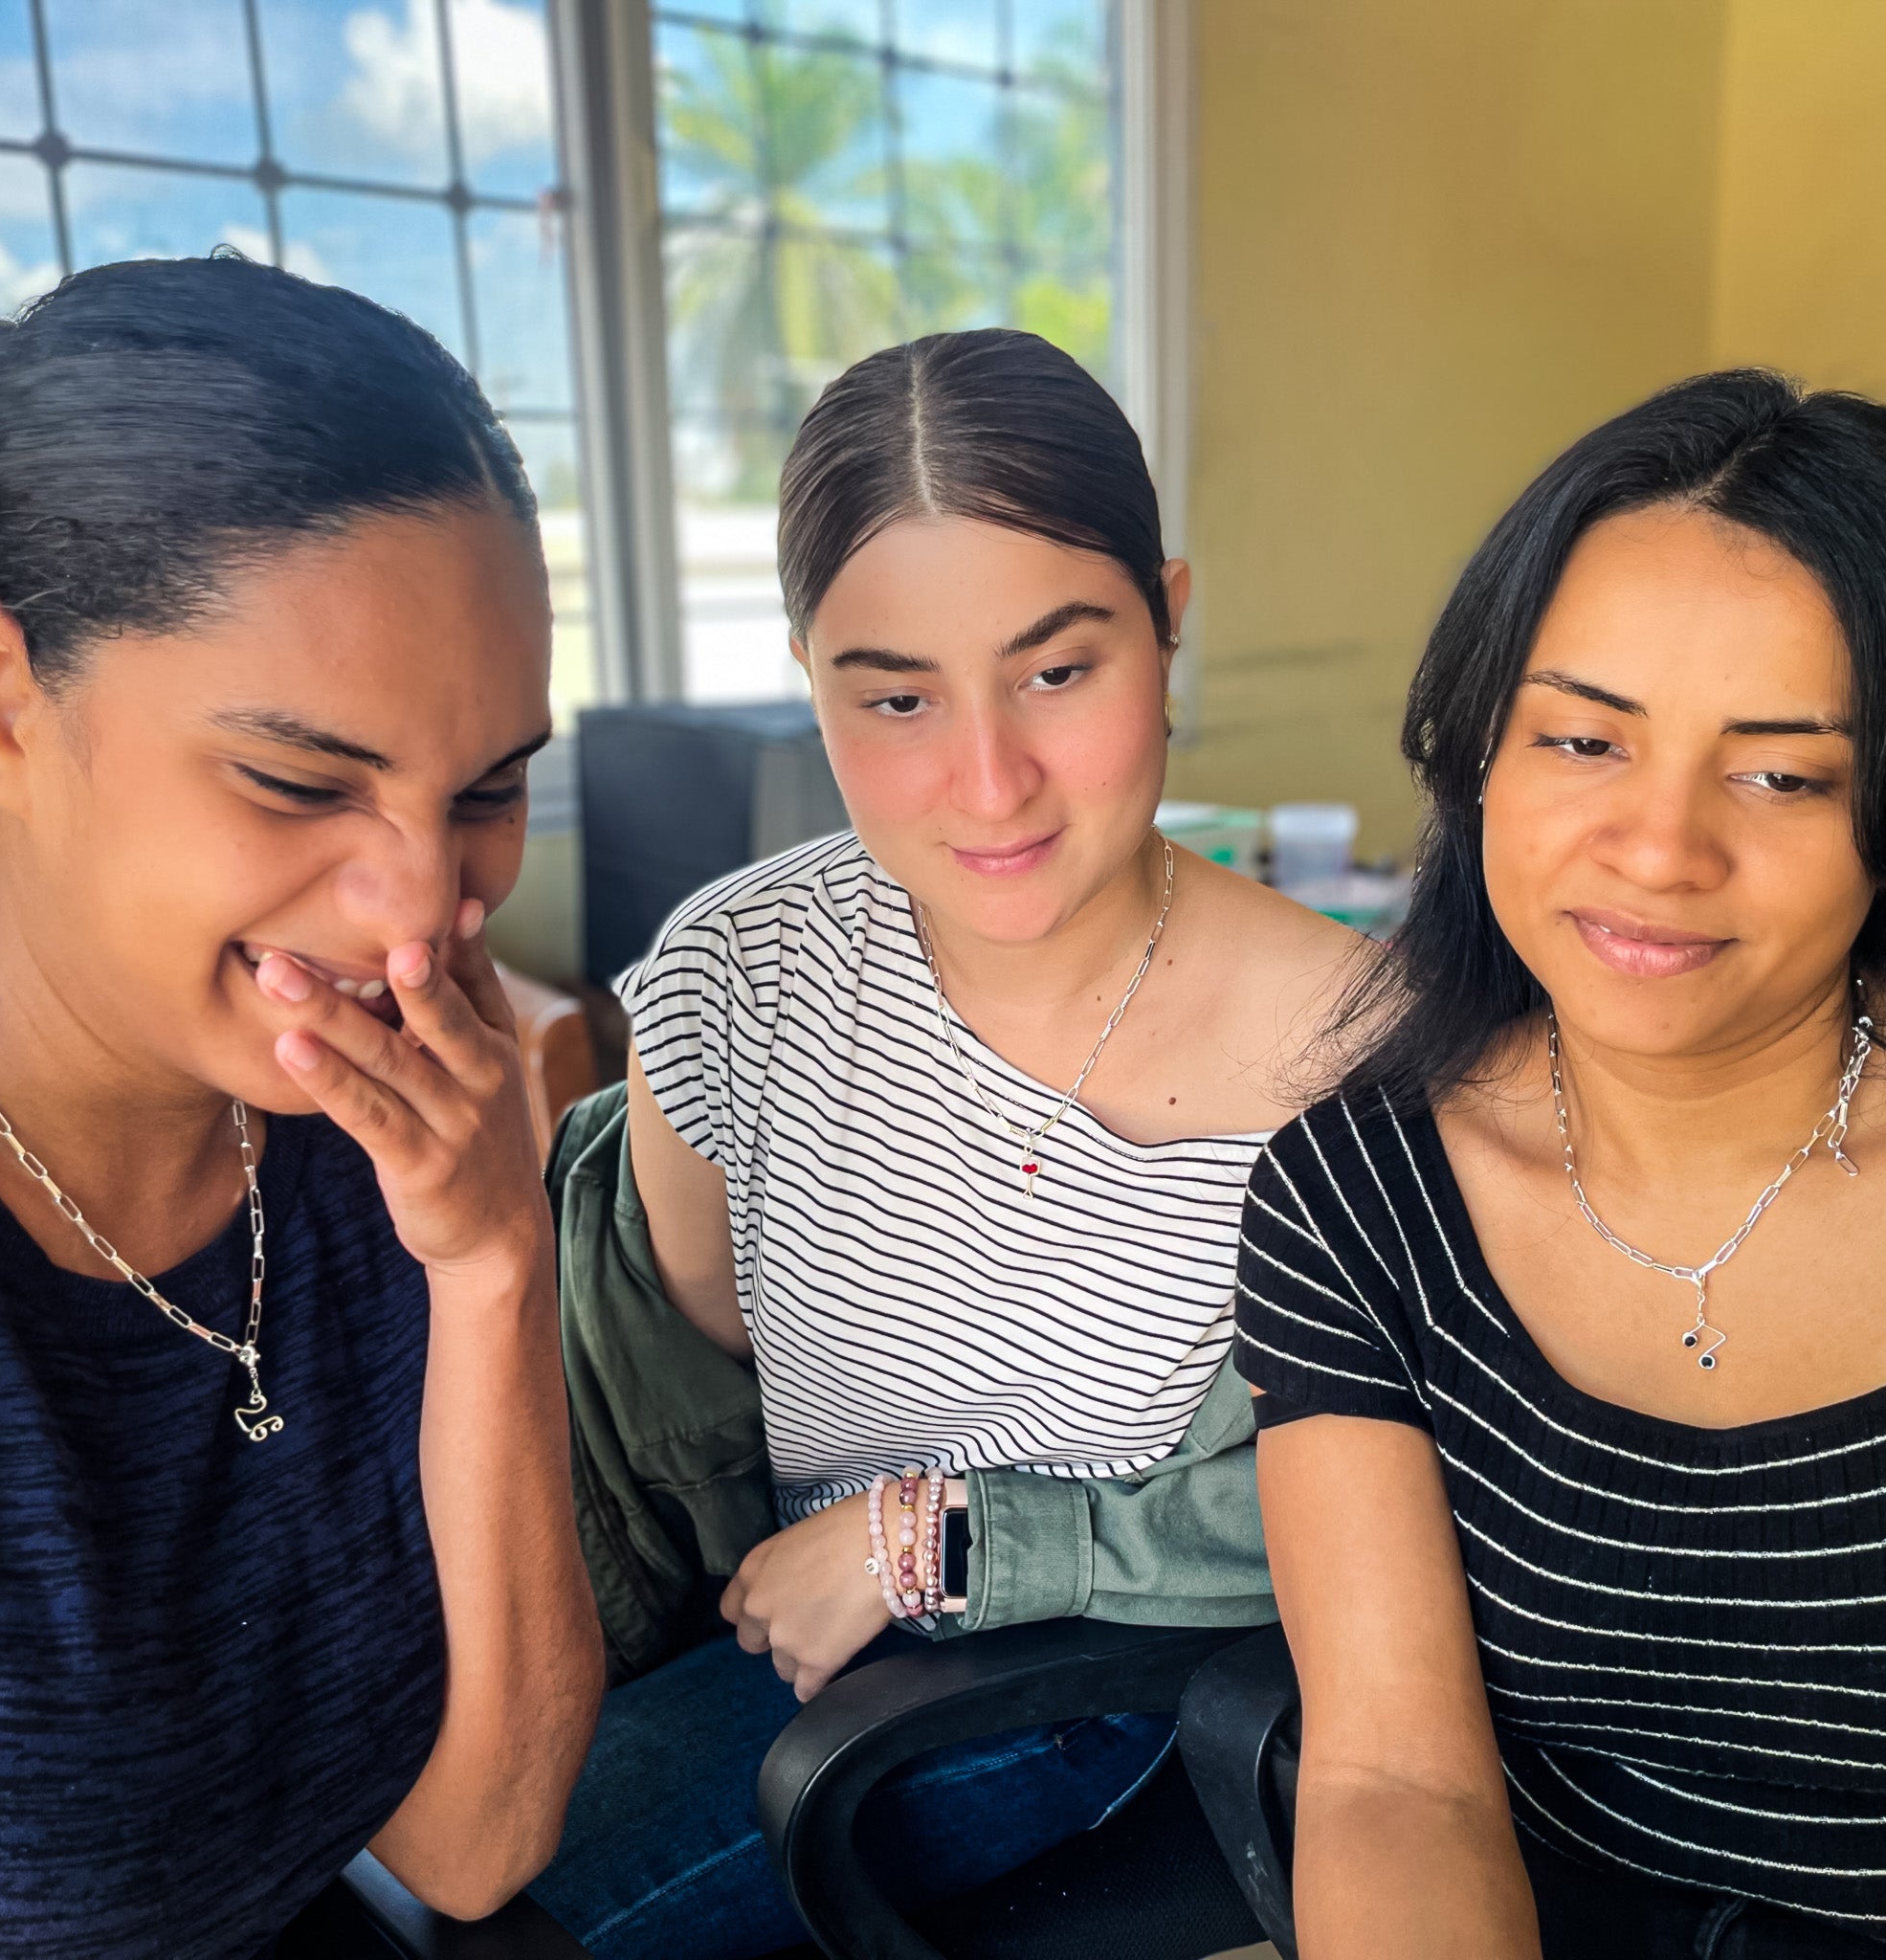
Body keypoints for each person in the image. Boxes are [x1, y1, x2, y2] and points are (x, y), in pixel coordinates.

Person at [531, 328, 1361, 1957]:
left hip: (1068, 1682)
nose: (990, 784)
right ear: (811, 677)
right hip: (761, 1627)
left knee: (486, 1914)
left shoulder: (1360, 1057)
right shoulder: (736, 975)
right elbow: (681, 1427)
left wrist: (935, 1541)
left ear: (1169, 620)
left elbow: (1360, 1526)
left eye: (1058, 672)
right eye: (897, 698)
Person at [0, 253, 602, 1960]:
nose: (418, 915)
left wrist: (495, 1267)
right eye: (300, 781)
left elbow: (476, 1841)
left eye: (489, 788)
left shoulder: (382, 1130)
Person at [1235, 369, 1886, 1957]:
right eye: (1586, 739)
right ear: (1482, 752)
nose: (1660, 848)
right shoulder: (1359, 1199)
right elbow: (1398, 1783)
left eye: (1783, 773)